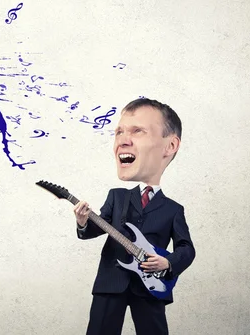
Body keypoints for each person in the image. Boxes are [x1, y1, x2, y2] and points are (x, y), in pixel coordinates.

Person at [74, 98, 195, 335]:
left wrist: (168, 262)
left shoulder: (173, 209)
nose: (122, 140)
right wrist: (82, 222)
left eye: (137, 131)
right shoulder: (117, 197)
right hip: (111, 283)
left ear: (170, 146)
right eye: (118, 132)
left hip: (152, 285)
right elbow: (96, 228)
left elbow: (186, 248)